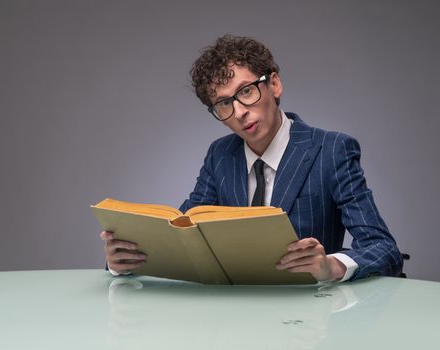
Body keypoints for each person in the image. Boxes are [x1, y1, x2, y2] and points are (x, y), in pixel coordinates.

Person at [101, 35, 403, 282]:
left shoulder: (332, 149)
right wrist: (123, 261)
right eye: (223, 104)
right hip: (233, 320)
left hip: (311, 320)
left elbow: (383, 248)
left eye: (246, 91)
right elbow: (182, 230)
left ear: (274, 84)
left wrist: (331, 267)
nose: (240, 111)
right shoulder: (220, 156)